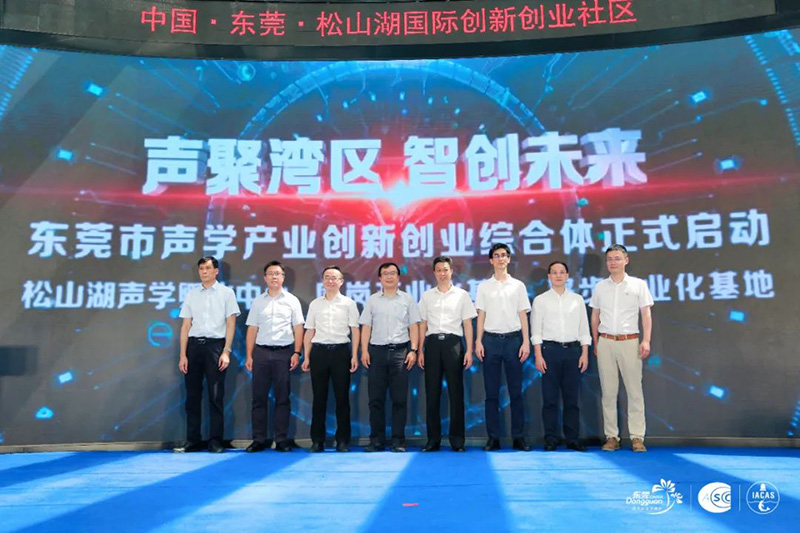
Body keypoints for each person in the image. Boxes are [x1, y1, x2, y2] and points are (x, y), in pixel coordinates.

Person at [590, 244, 654, 452]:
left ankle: (637, 437)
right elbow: (595, 316)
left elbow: (646, 314)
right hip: (606, 342)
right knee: (608, 392)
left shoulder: (638, 285)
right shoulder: (600, 287)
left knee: (635, 391)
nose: (613, 262)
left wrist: (646, 340)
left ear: (626, 260)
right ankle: (612, 437)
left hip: (629, 341)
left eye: (617, 258)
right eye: (609, 259)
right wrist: (596, 341)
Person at [175, 256, 240, 453]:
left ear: (216, 271)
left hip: (216, 347)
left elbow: (231, 323)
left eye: (208, 268)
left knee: (215, 396)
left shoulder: (227, 293)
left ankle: (216, 441)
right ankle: (192, 440)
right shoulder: (192, 294)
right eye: (201, 268)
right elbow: (186, 325)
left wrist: (226, 351)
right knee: (192, 397)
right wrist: (183, 355)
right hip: (194, 347)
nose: (204, 271)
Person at [475, 243, 532, 452]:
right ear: (491, 260)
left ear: (508, 259)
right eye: (496, 255)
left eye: (504, 255)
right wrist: (478, 341)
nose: (500, 259)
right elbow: (481, 315)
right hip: (490, 341)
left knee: (516, 392)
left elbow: (523, 315)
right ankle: (493, 438)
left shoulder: (518, 286)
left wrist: (526, 341)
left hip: (513, 341)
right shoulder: (483, 287)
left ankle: (518, 437)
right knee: (491, 393)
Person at [360, 262, 420, 452]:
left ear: (398, 277)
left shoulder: (407, 299)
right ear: (380, 278)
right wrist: (364, 350)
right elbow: (366, 326)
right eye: (385, 273)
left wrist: (413, 350)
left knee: (399, 399)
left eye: (393, 273)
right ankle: (376, 440)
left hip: (400, 353)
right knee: (375, 400)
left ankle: (398, 440)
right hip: (376, 353)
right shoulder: (372, 300)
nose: (389, 276)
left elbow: (414, 326)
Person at [418, 256, 477, 452]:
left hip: (453, 344)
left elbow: (467, 324)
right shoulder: (427, 296)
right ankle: (433, 440)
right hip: (432, 345)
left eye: (445, 270)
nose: (442, 273)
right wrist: (420, 350)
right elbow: (423, 324)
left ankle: (457, 441)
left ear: (452, 271)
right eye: (439, 270)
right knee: (432, 394)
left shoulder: (462, 295)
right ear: (434, 273)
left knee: (456, 393)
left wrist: (469, 350)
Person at [531, 261, 591, 452]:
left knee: (572, 399)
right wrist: (538, 356)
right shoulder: (540, 300)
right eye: (554, 272)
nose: (558, 275)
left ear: (567, 276)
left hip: (573, 352)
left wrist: (584, 353)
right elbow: (536, 331)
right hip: (549, 352)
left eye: (562, 272)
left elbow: (584, 329)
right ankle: (550, 438)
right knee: (550, 399)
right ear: (549, 276)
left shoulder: (577, 300)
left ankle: (572, 438)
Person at [245, 261, 305, 453]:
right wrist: (249, 355)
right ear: (265, 278)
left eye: (278, 273)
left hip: (283, 353)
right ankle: (258, 439)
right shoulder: (258, 301)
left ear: (283, 277)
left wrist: (296, 352)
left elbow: (298, 328)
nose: (274, 277)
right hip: (261, 353)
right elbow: (252, 329)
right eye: (270, 273)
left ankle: (281, 439)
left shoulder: (292, 301)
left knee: (282, 398)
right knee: (258, 398)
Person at [302, 266, 360, 453]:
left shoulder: (349, 303)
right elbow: (309, 331)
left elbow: (355, 330)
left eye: (334, 278)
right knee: (319, 398)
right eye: (327, 277)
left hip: (341, 352)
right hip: (319, 352)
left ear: (341, 281)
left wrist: (354, 355)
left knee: (342, 398)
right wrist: (306, 355)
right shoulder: (315, 304)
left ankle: (342, 440)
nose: (330, 281)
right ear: (322, 281)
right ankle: (317, 441)